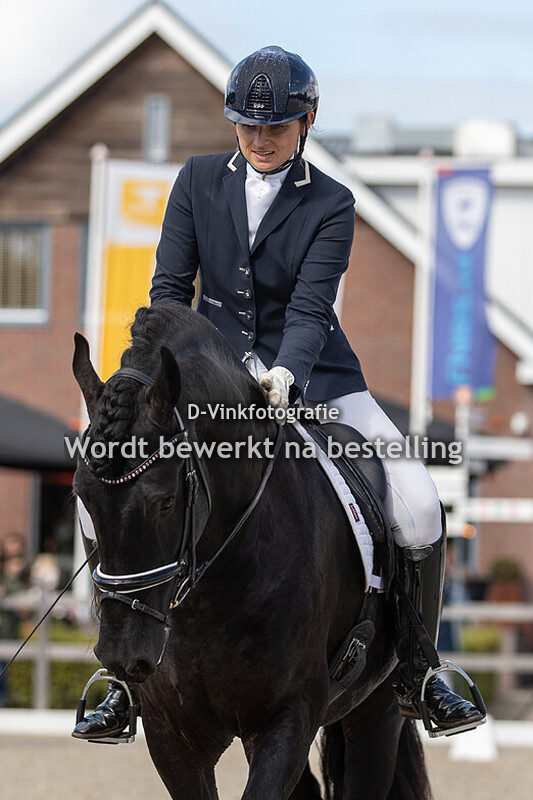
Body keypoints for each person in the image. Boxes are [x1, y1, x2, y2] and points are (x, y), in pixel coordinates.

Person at [73, 45, 484, 739]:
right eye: (248, 126)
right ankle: (117, 677)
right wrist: (141, 382)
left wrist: (286, 372)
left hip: (317, 377)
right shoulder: (197, 180)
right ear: (233, 125)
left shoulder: (331, 202)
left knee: (415, 501)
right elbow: (170, 293)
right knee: (113, 481)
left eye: (277, 126)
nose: (261, 139)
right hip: (202, 383)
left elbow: (309, 306)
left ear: (307, 121)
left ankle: (419, 670)